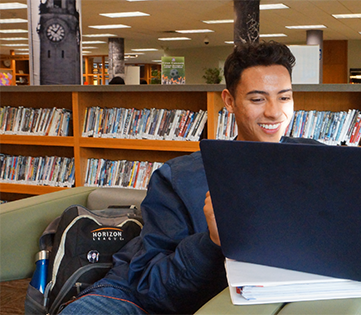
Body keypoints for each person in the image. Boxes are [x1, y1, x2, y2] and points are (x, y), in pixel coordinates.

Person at [59, 41, 320, 315]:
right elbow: (150, 288)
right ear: (229, 101)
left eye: (284, 97)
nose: (274, 112)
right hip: (138, 296)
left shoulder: (318, 163)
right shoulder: (180, 177)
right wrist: (213, 240)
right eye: (257, 99)